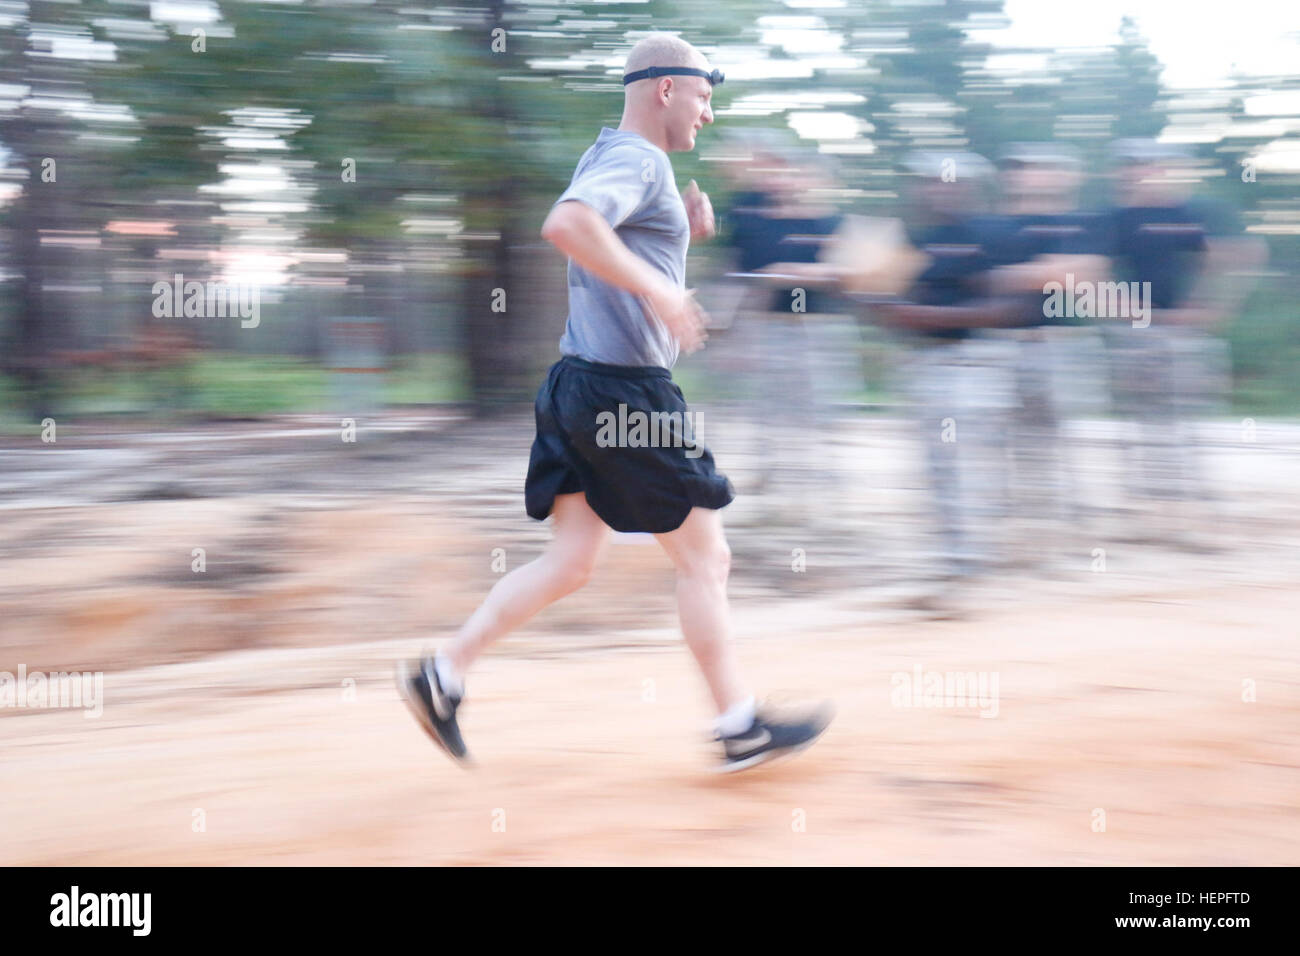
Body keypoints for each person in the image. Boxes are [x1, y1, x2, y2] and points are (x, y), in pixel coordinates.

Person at [396, 34, 832, 773]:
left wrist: (674, 241)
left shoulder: (611, 155)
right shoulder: (639, 159)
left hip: (575, 384)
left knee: (570, 561)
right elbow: (567, 227)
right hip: (623, 392)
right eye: (704, 95)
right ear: (665, 89)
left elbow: (603, 238)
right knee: (706, 556)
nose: (710, 114)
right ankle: (737, 727)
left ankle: (442, 674)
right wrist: (662, 287)